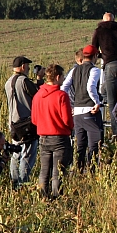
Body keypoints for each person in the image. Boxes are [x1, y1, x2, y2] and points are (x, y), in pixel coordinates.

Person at [31, 64, 74, 200]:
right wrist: (70, 128)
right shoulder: (61, 95)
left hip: (43, 136)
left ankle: (42, 197)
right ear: (57, 77)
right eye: (62, 77)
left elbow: (34, 119)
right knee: (58, 172)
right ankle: (57, 199)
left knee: (44, 170)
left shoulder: (38, 95)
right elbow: (67, 119)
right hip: (60, 137)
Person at [62, 45, 103, 171]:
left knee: (80, 146)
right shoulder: (95, 70)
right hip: (90, 111)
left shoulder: (74, 70)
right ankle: (92, 171)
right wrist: (97, 102)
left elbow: (64, 87)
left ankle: (80, 171)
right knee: (95, 144)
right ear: (95, 56)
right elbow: (90, 87)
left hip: (77, 113)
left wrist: (69, 104)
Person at [5, 55, 39, 187]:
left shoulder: (8, 82)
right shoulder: (24, 81)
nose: (29, 69)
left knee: (16, 153)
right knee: (27, 154)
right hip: (26, 123)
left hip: (13, 123)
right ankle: (23, 183)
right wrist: (39, 80)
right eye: (28, 67)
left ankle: (14, 181)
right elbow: (36, 94)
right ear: (23, 66)